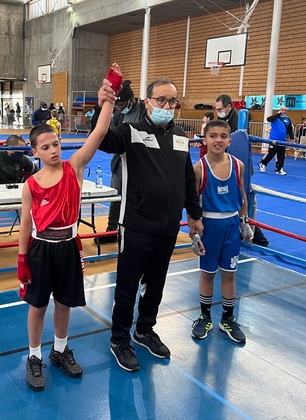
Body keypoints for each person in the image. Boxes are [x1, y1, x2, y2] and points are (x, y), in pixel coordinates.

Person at [95, 75, 203, 373]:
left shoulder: (180, 136)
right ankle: (119, 339)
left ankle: (144, 330)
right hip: (136, 225)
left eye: (172, 101)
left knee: (155, 285)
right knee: (127, 287)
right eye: (161, 100)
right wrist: (103, 104)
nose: (167, 106)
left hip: (168, 227)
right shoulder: (130, 132)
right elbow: (101, 138)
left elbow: (187, 179)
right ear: (147, 102)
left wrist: (194, 214)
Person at [18, 65, 116, 391]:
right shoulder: (31, 184)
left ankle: (59, 351)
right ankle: (34, 356)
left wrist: (108, 100)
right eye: (46, 147)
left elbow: (99, 132)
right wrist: (22, 259)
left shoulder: (75, 167)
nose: (53, 150)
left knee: (64, 302)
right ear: (34, 152)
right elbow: (26, 224)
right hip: (40, 249)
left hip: (69, 246)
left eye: (56, 143)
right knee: (38, 305)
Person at [190, 120, 252, 344]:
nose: (218, 140)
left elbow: (242, 195)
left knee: (229, 273)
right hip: (209, 226)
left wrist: (245, 223)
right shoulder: (199, 168)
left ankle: (227, 318)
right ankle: (204, 317)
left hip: (232, 225)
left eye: (223, 136)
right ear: (205, 139)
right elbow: (192, 203)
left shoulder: (238, 165)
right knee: (207, 273)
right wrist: (193, 232)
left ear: (230, 140)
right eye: (213, 135)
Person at [89, 79, 140, 245]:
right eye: (117, 106)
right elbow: (109, 135)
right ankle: (112, 230)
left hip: (139, 163)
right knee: (115, 196)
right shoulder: (118, 114)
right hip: (120, 162)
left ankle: (135, 230)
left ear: (131, 100)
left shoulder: (144, 112)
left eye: (122, 104)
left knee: (138, 197)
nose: (119, 108)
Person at [258, 106, 294, 175]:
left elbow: (290, 129)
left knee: (281, 155)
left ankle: (279, 168)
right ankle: (263, 163)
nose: (284, 111)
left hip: (283, 140)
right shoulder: (275, 118)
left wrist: (292, 138)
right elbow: (268, 119)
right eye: (282, 110)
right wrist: (277, 114)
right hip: (274, 139)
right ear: (280, 110)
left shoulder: (287, 119)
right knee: (271, 153)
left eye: (285, 110)